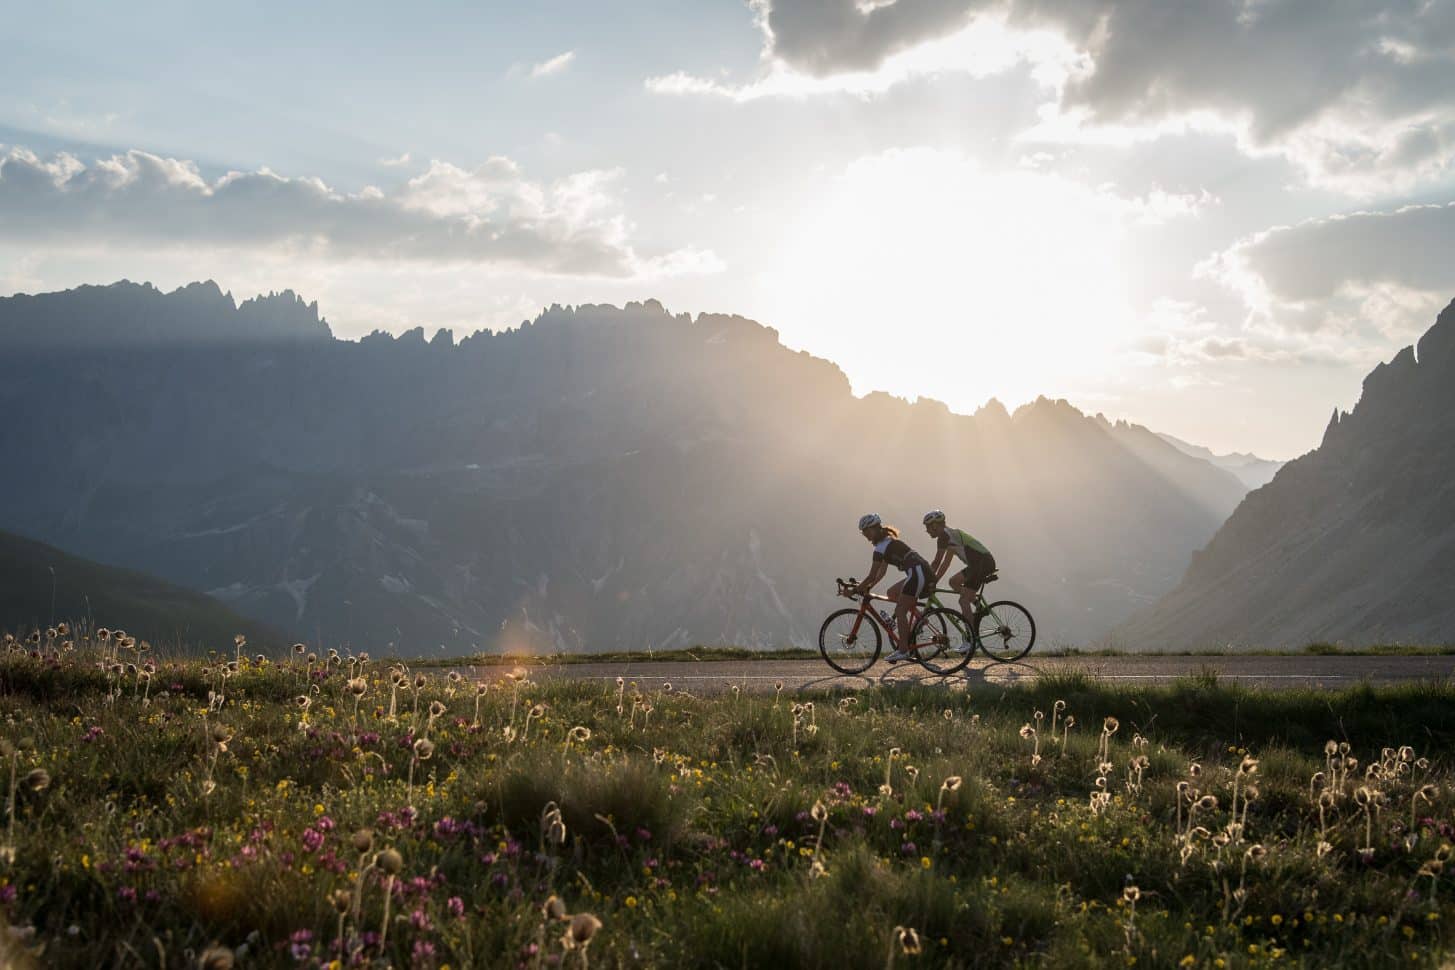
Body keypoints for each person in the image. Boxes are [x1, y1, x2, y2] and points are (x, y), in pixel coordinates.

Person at [849, 513, 933, 663]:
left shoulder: (881, 547)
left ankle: (903, 650)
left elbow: (871, 575)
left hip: (917, 572)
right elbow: (880, 573)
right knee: (892, 593)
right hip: (919, 571)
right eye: (863, 533)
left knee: (900, 611)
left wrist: (856, 590)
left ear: (874, 529)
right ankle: (919, 619)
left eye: (866, 531)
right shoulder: (886, 542)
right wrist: (867, 587)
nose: (865, 535)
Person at [922, 509, 997, 653]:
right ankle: (976, 603)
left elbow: (937, 561)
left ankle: (972, 639)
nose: (927, 530)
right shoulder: (950, 536)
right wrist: (934, 581)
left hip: (982, 563)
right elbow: (945, 564)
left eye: (928, 527)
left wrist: (927, 580)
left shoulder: (944, 536)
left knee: (963, 601)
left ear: (936, 525)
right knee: (953, 582)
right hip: (978, 563)